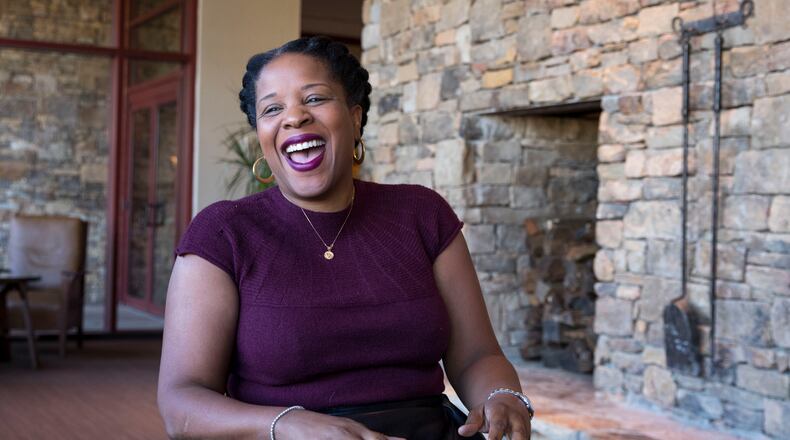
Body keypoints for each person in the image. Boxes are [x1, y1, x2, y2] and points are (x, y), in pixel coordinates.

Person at [157, 36, 533, 440]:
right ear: (262, 138)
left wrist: (502, 396)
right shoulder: (224, 233)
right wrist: (287, 424)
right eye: (272, 108)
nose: (294, 117)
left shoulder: (422, 214)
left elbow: (477, 354)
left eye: (315, 99)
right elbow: (182, 402)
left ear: (355, 119)